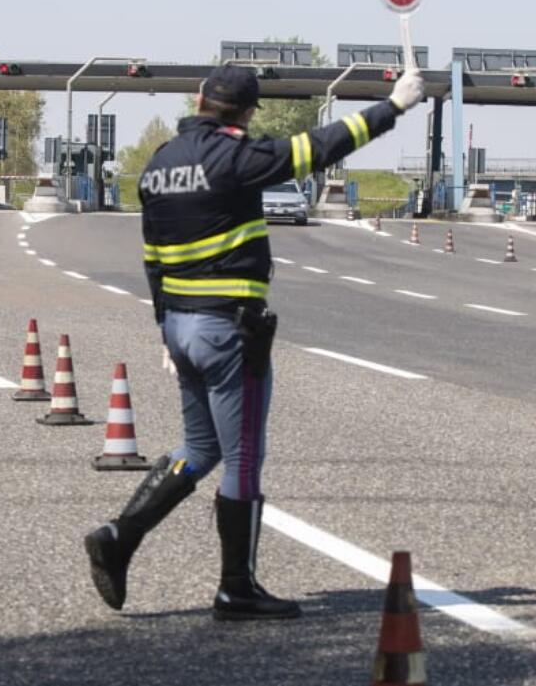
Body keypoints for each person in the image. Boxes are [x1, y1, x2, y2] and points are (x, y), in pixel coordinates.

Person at [83, 64, 425, 620]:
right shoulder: (238, 158)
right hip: (226, 332)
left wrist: (164, 331)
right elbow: (320, 146)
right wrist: (395, 106)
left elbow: (151, 257)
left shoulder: (160, 163)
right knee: (242, 457)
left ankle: (120, 536)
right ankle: (235, 589)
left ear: (199, 100)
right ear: (245, 112)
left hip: (180, 325)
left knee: (200, 449)